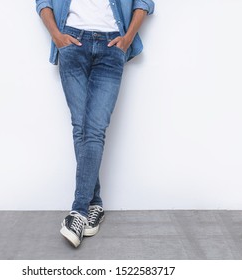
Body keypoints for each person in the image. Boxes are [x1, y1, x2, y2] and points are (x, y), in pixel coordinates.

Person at [35, 0, 155, 248]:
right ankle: (94, 204)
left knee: (94, 129)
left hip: (112, 45)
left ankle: (78, 211)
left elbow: (144, 2)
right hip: (72, 41)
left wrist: (127, 38)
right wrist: (57, 36)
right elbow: (42, 2)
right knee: (81, 128)